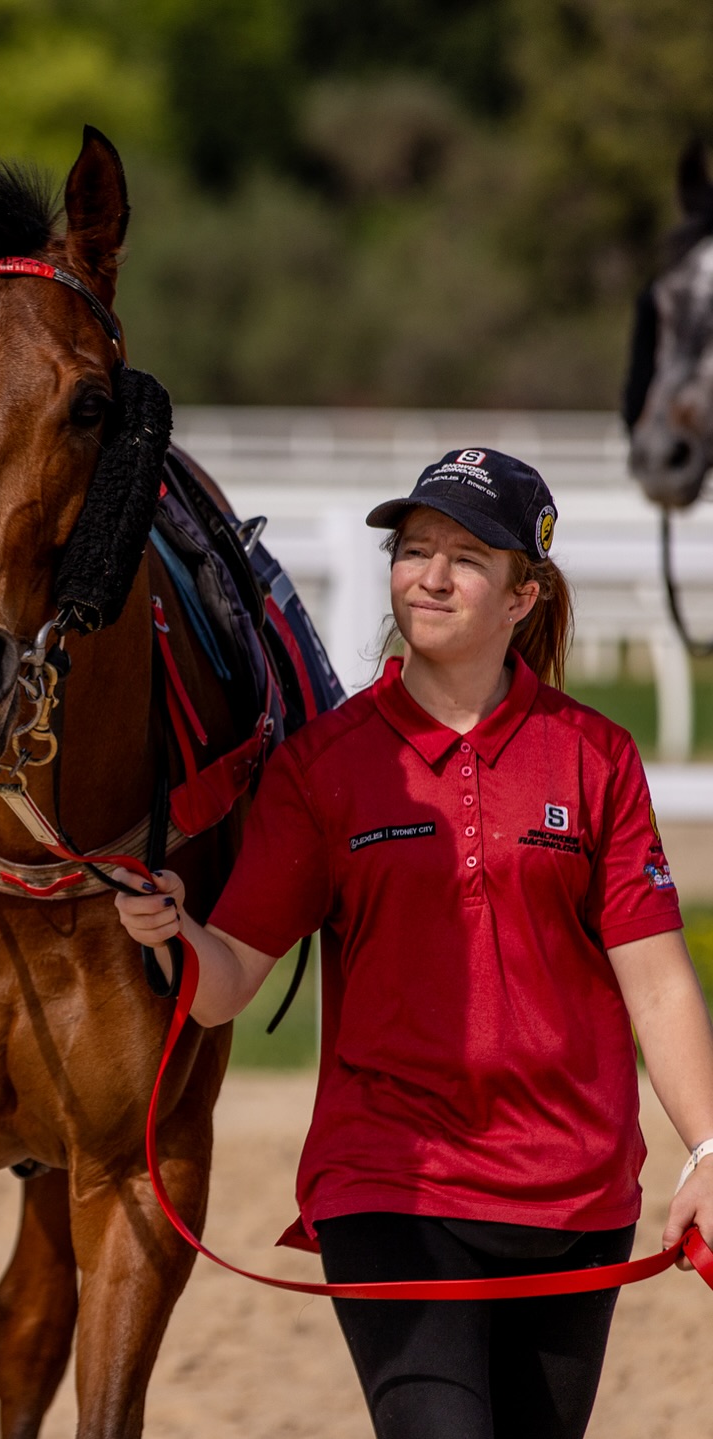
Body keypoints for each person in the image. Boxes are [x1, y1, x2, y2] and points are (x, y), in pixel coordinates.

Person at [114, 449, 713, 1439]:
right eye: (413, 548)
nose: (428, 574)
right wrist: (176, 931)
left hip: (577, 1195)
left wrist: (706, 1148)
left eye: (465, 556)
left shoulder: (596, 755)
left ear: (524, 592)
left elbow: (656, 983)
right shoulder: (323, 767)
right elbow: (227, 984)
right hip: (392, 1184)